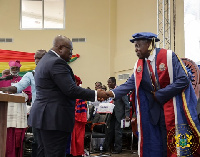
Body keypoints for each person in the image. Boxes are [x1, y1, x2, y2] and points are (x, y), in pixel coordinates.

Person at [106, 32, 200, 157]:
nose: (136, 49)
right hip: (153, 112)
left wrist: (160, 94)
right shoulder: (139, 65)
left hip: (174, 110)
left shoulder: (168, 56)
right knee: (158, 144)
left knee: (176, 144)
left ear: (150, 44)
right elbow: (129, 84)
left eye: (139, 46)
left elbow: (183, 80)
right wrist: (110, 93)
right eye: (135, 46)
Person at [27, 35, 108, 157]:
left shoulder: (44, 60)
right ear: (60, 48)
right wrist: (96, 94)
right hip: (54, 119)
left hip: (43, 117)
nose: (71, 53)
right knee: (55, 153)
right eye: (70, 50)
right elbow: (70, 90)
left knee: (43, 152)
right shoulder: (56, 62)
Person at [0, 50, 47, 157]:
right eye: (36, 58)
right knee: (36, 141)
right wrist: (6, 90)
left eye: (40, 58)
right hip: (30, 113)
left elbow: (27, 94)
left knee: (49, 142)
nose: (37, 61)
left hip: (49, 112)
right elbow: (18, 87)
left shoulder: (55, 72)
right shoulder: (29, 75)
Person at [0, 60, 31, 157]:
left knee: (17, 140)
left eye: (17, 68)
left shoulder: (23, 80)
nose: (15, 70)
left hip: (18, 113)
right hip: (6, 113)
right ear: (9, 68)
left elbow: (28, 95)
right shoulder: (3, 80)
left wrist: (21, 94)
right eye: (13, 68)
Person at [103, 77, 130, 154]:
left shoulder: (120, 90)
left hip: (120, 115)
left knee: (118, 132)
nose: (108, 84)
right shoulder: (109, 92)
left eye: (109, 82)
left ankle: (118, 149)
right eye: (107, 82)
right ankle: (106, 147)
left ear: (114, 83)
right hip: (111, 114)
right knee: (109, 131)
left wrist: (127, 115)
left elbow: (126, 104)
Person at [66, 75, 88, 157]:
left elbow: (81, 113)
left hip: (76, 122)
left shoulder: (80, 95)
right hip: (67, 121)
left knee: (76, 142)